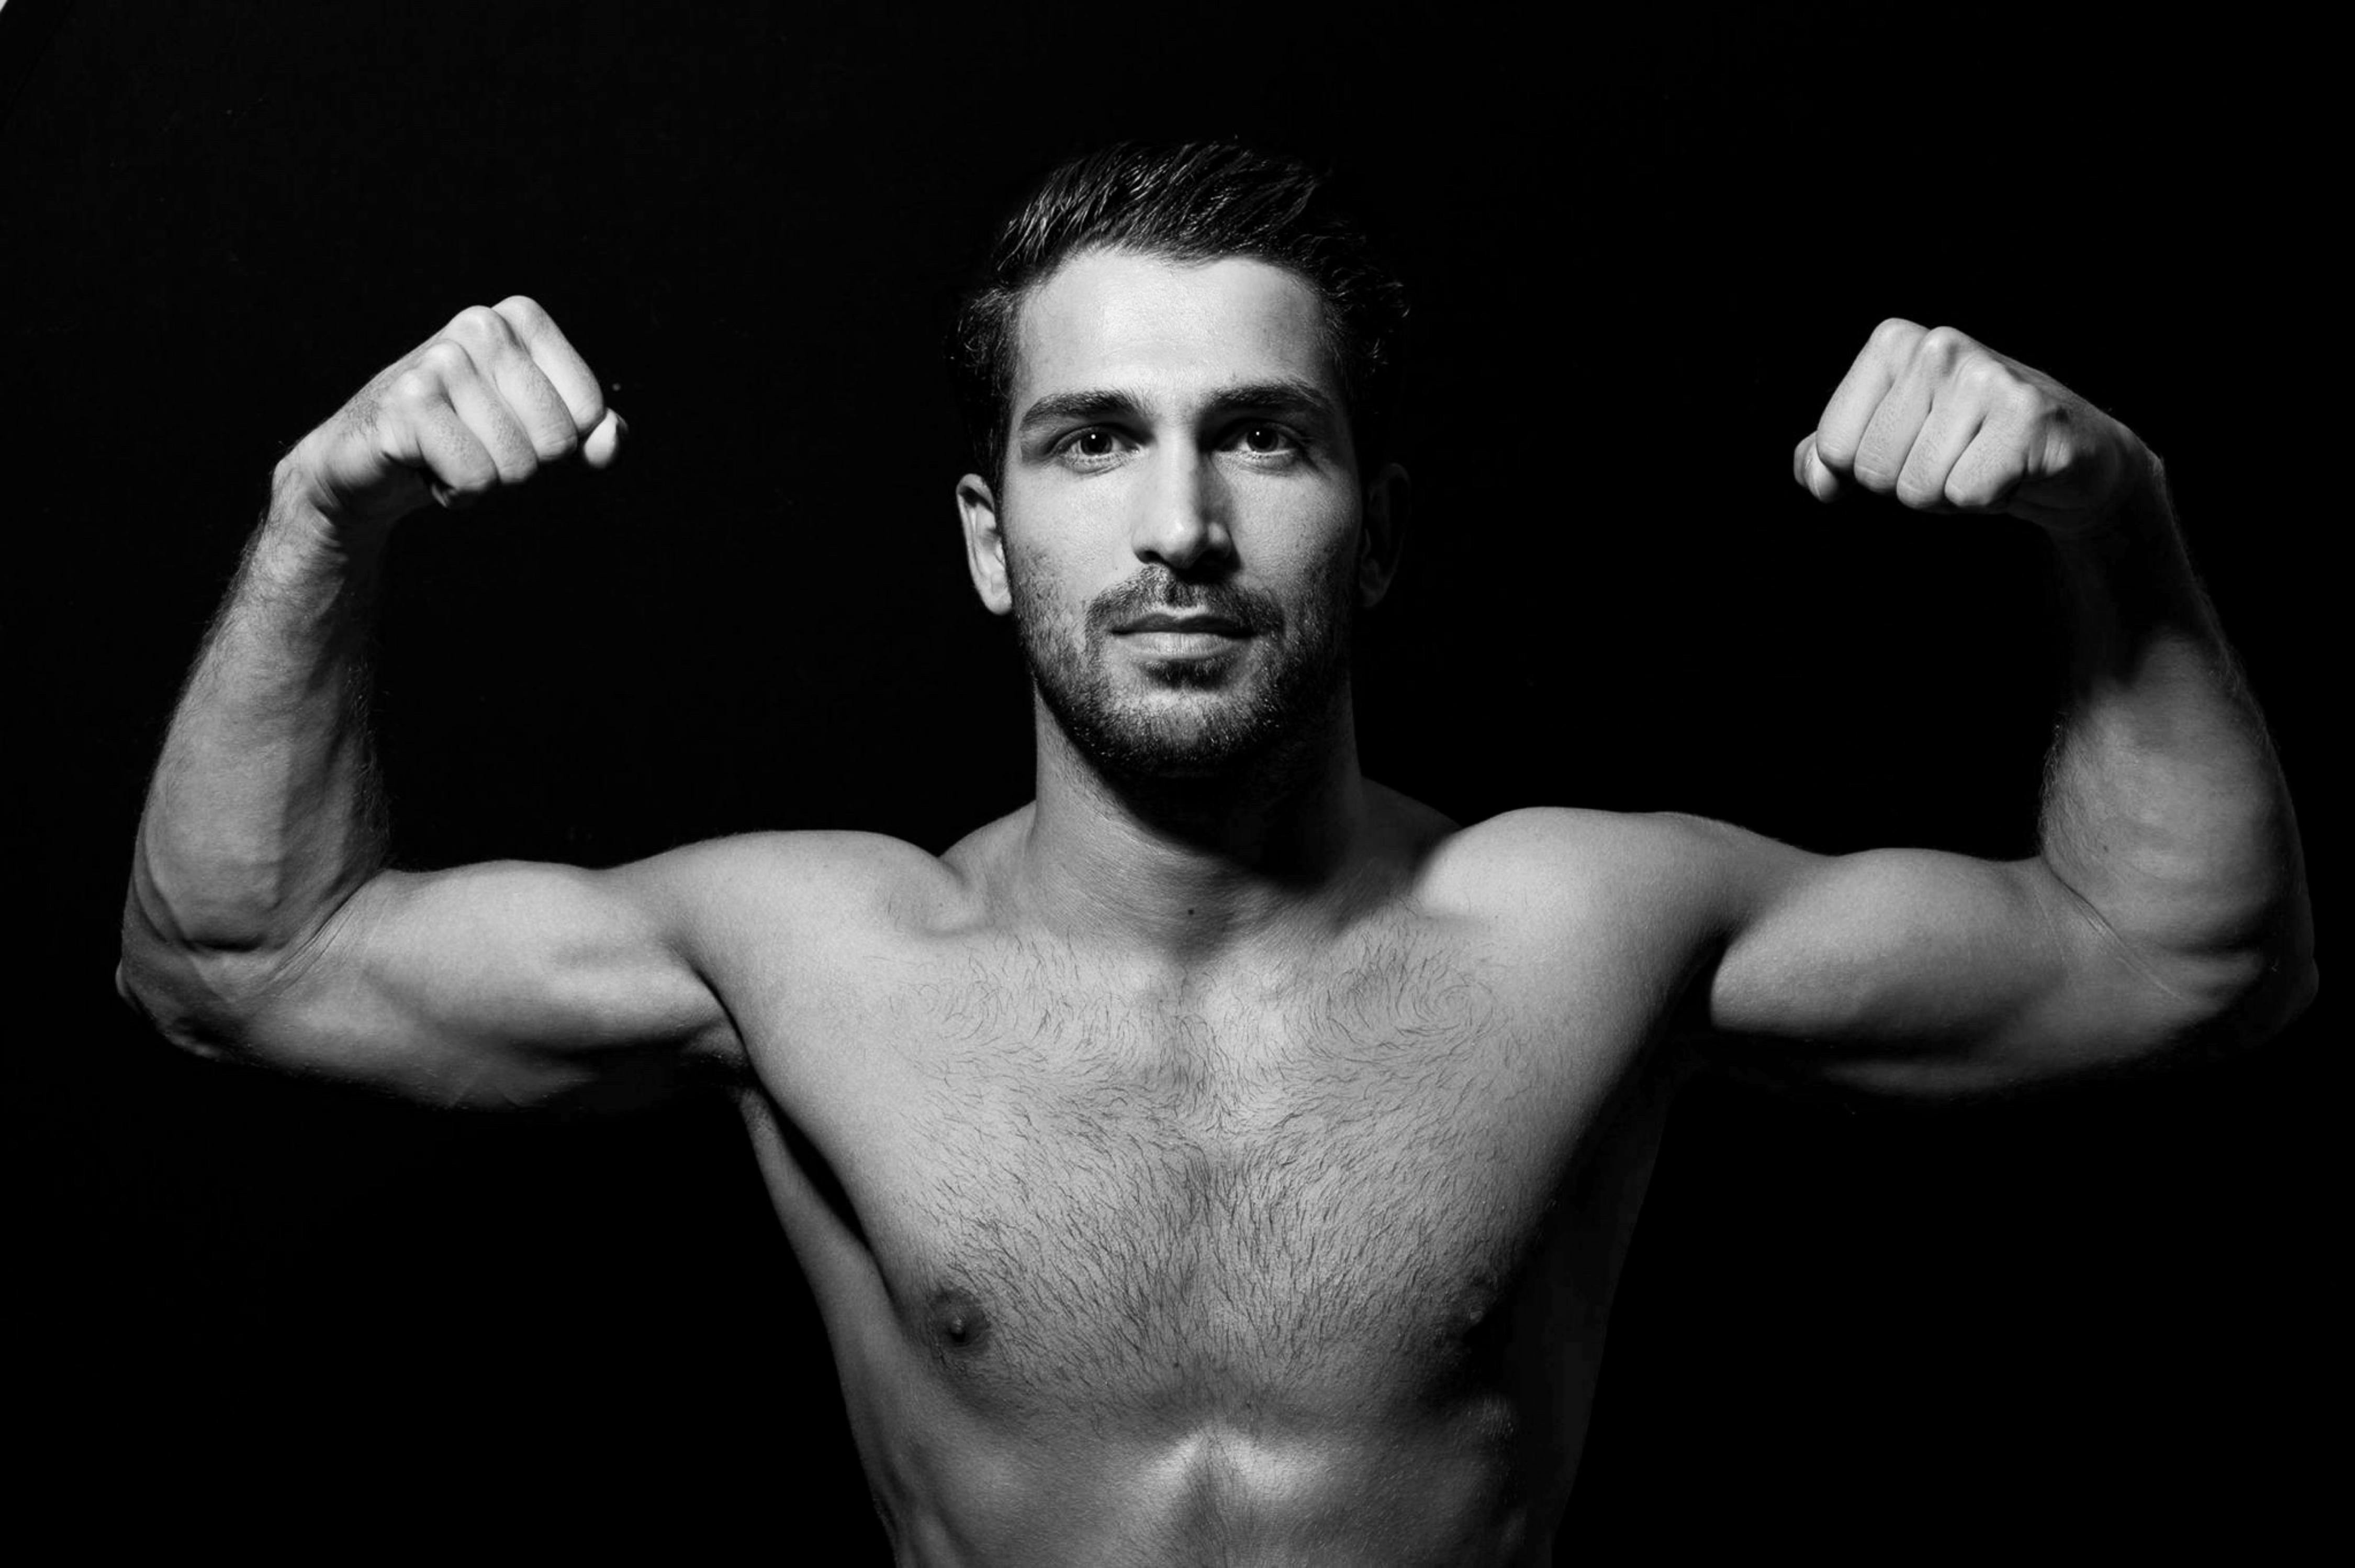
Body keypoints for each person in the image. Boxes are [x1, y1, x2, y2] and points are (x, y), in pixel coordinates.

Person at [115, 141, 2313, 1561]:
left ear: (1381, 527)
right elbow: (234, 966)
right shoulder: (808, 952)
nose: (1179, 526)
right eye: (1092, 443)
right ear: (990, 540)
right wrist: (326, 514)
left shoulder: (1588, 927)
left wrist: (2111, 524)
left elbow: (2185, 965)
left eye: (1261, 437)